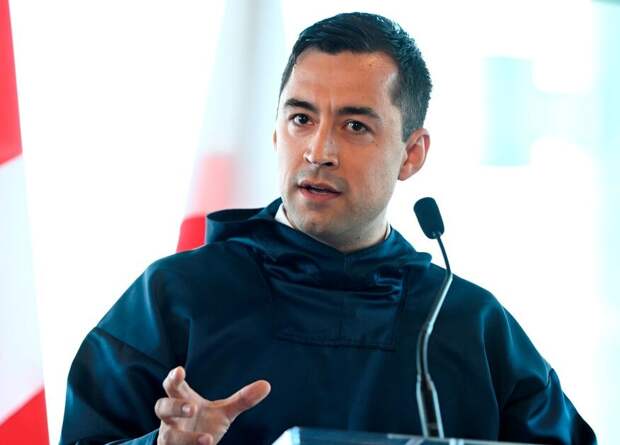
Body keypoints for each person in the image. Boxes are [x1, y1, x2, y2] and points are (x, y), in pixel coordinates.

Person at [60, 12, 596, 445]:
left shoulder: (467, 324)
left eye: (355, 125)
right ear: (276, 133)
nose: (319, 151)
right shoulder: (173, 299)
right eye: (301, 119)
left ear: (412, 153)